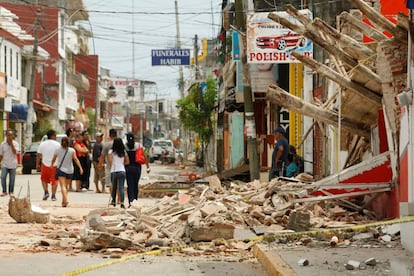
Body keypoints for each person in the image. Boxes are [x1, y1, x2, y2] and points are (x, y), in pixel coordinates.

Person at [51, 137, 83, 207]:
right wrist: (80, 168)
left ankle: (65, 200)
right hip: (70, 170)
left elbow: (54, 159)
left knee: (63, 186)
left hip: (61, 169)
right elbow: (76, 159)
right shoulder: (72, 150)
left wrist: (51, 165)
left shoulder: (58, 150)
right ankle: (63, 202)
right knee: (66, 186)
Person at [125, 132, 150, 207]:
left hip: (128, 168)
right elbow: (144, 156)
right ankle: (135, 201)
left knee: (130, 185)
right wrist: (148, 167)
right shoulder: (139, 145)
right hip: (137, 168)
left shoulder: (125, 146)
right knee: (135, 185)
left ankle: (131, 202)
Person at [36, 129, 61, 201]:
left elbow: (38, 155)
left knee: (44, 179)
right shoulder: (57, 144)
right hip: (55, 165)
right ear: (52, 136)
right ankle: (53, 196)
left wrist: (37, 164)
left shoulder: (42, 144)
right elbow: (60, 155)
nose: (56, 137)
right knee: (54, 181)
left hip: (45, 164)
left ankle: (46, 192)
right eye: (55, 135)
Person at [108, 138, 129, 208]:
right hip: (122, 170)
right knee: (121, 187)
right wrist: (122, 164)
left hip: (114, 171)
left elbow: (110, 161)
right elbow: (127, 161)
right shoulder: (124, 152)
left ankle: (113, 201)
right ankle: (122, 202)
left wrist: (113, 166)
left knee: (114, 187)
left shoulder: (111, 152)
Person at [0, 130, 20, 197]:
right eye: (8, 135)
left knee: (12, 179)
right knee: (3, 177)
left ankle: (11, 191)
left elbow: (15, 152)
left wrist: (11, 144)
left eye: (11, 135)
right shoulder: (3, 144)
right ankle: (4, 191)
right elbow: (1, 155)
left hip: (13, 164)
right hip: (5, 164)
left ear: (13, 136)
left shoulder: (16, 144)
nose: (10, 137)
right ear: (6, 136)